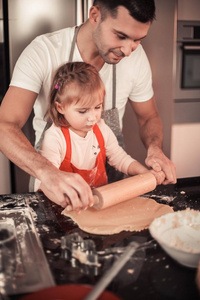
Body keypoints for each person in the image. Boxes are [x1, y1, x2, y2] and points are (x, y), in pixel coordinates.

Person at [0, 0, 176, 210]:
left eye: (137, 40)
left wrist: (155, 148)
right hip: (53, 185)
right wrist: (49, 173)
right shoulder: (44, 51)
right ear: (94, 16)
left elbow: (148, 117)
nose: (129, 50)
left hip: (110, 189)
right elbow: (4, 124)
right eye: (121, 36)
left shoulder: (136, 58)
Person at [36, 61, 165, 210]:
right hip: (64, 209)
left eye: (97, 107)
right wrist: (68, 201)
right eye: (83, 111)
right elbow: (47, 182)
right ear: (61, 107)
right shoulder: (55, 138)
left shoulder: (101, 129)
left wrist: (145, 174)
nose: (92, 118)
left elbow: (120, 158)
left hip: (99, 206)